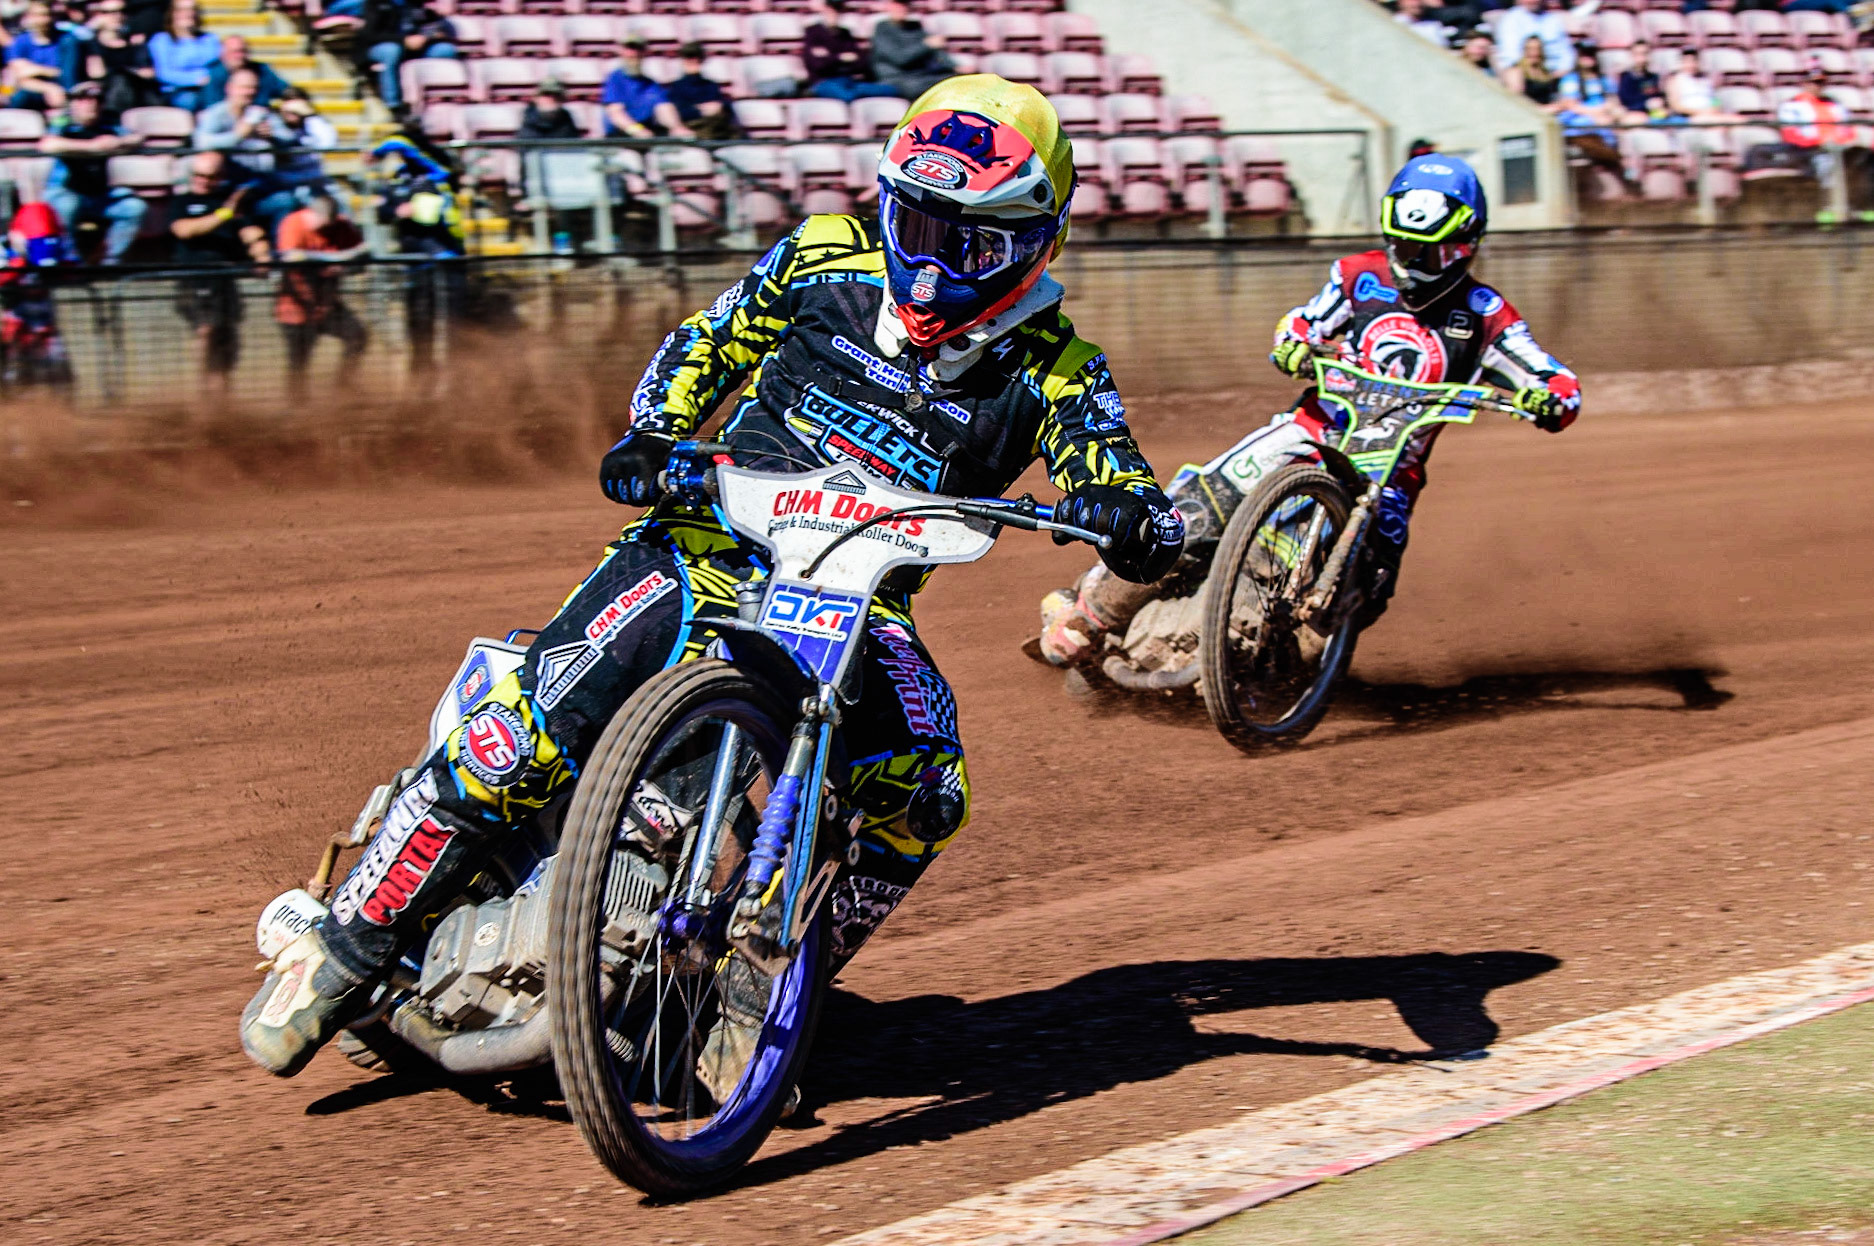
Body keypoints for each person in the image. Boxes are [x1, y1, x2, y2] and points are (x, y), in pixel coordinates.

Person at [240, 73, 1185, 1078]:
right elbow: (707, 340)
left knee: (926, 794)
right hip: (707, 541)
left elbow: (1115, 468)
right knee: (523, 734)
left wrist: (1131, 517)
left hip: (862, 602)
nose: (930, 267)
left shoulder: (1057, 366)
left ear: (1039, 241)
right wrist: (656, 430)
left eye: (971, 246)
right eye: (916, 225)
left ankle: (756, 992)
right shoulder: (821, 256)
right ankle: (345, 942)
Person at [1036, 154, 1579, 667]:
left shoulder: (1486, 315)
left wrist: (1549, 395)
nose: (1409, 261)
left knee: (1369, 585)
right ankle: (1089, 611)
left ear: (1464, 245)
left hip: (1391, 469)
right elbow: (1302, 322)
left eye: (1425, 252)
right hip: (1312, 428)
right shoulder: (1359, 275)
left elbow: (1556, 380)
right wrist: (1293, 344)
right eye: (1400, 244)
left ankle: (1271, 664)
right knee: (1201, 501)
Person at [170, 150, 270, 390]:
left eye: (210, 176)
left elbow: (251, 233)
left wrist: (261, 254)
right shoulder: (182, 203)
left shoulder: (230, 203)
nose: (203, 181)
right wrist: (224, 213)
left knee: (227, 339)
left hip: (224, 280)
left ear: (220, 177)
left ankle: (221, 391)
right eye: (198, 175)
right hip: (195, 278)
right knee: (206, 330)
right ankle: (203, 385)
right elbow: (184, 230)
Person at [40, 80, 147, 264]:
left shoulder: (108, 123)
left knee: (134, 207)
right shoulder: (63, 121)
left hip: (98, 195)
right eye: (84, 99)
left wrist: (118, 142)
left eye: (98, 99)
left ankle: (110, 261)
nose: (92, 104)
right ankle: (71, 262)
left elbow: (138, 138)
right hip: (64, 191)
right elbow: (47, 144)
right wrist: (93, 146)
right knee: (67, 205)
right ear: (73, 102)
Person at [274, 191, 368, 399]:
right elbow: (289, 257)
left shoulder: (341, 225)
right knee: (299, 359)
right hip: (296, 308)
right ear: (311, 213)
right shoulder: (293, 223)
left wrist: (344, 266)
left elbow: (362, 252)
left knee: (357, 335)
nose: (326, 231)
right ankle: (297, 403)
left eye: (330, 226)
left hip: (327, 304)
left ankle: (343, 384)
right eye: (323, 225)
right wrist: (330, 258)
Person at [194, 65, 299, 229]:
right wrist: (238, 135)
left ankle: (278, 245)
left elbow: (289, 140)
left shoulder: (260, 113)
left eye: (254, 88)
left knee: (286, 200)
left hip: (261, 184)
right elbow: (201, 142)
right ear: (230, 88)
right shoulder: (215, 114)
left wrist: (272, 136)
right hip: (224, 188)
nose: (250, 92)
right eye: (244, 87)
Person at [362, 0, 457, 113]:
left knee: (444, 49)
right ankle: (393, 104)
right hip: (381, 47)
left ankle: (439, 100)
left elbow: (439, 27)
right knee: (391, 50)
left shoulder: (418, 4)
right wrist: (403, 40)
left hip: (417, 48)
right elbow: (370, 35)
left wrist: (426, 37)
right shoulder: (375, 3)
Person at [804, 0, 897, 102]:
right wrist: (841, 58)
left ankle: (858, 93)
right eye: (830, 10)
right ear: (824, 11)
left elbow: (861, 63)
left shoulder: (845, 33)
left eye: (837, 10)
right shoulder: (813, 32)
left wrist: (829, 57)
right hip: (823, 82)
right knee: (847, 95)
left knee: (890, 90)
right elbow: (817, 65)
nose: (834, 14)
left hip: (848, 80)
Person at [83, 0, 159, 120]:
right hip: (107, 99)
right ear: (98, 15)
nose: (117, 16)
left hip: (139, 95)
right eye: (110, 12)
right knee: (120, 79)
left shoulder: (136, 44)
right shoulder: (92, 45)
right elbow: (97, 73)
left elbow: (148, 73)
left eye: (122, 11)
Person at [600, 37, 690, 138]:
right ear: (622, 52)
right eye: (629, 49)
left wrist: (676, 127)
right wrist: (637, 130)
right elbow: (616, 113)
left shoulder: (650, 84)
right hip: (621, 137)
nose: (633, 53)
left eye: (637, 49)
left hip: (647, 135)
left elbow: (664, 108)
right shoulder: (615, 79)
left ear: (644, 53)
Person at [871, 0, 955, 101]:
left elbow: (935, 51)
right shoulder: (882, 29)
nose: (901, 9)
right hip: (896, 79)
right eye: (897, 5)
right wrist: (926, 45)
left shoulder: (915, 27)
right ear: (889, 6)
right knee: (920, 87)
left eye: (904, 5)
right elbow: (899, 58)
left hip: (921, 76)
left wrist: (954, 66)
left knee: (955, 80)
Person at [6, 0, 79, 111]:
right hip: (35, 92)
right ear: (28, 17)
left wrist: (36, 70)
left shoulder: (67, 40)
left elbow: (68, 74)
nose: (43, 21)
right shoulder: (20, 42)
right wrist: (49, 87)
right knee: (17, 96)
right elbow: (19, 75)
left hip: (62, 93)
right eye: (38, 15)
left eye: (47, 15)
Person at [149, 2, 220, 112]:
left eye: (192, 9)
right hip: (178, 90)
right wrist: (197, 79)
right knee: (190, 100)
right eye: (182, 10)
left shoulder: (210, 39)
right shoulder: (161, 40)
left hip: (210, 87)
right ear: (172, 14)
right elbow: (163, 73)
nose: (189, 14)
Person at [664, 41, 738, 140]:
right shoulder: (677, 87)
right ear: (683, 60)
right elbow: (679, 112)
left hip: (716, 128)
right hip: (693, 129)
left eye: (697, 57)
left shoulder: (711, 85)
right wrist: (701, 110)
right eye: (689, 57)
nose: (693, 61)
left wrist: (719, 106)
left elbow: (725, 106)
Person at [202, 34, 290, 109]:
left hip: (261, 116)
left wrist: (293, 99)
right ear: (223, 54)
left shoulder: (261, 70)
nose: (240, 56)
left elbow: (284, 89)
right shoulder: (214, 74)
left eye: (243, 51)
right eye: (235, 52)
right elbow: (213, 107)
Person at [1493, 0, 1573, 77]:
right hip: (1525, 72)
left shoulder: (1552, 19)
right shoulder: (1511, 19)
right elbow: (1510, 54)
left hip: (1555, 72)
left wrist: (1562, 70)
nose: (1533, 1)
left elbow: (1565, 51)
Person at [1616, 41, 1664, 116]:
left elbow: (1659, 97)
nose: (1641, 59)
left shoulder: (1653, 77)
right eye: (1637, 54)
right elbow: (1626, 104)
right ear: (1631, 56)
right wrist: (1646, 104)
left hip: (1655, 115)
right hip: (1634, 116)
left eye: (1645, 54)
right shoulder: (1626, 78)